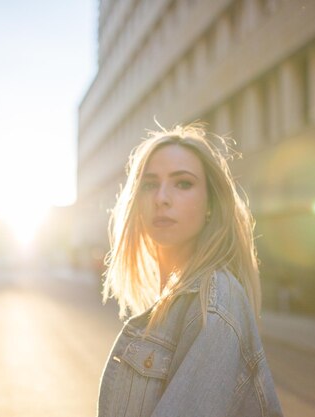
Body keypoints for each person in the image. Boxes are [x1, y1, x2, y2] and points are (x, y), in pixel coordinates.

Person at [97, 123, 284, 417]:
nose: (162, 198)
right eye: (149, 184)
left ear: (211, 202)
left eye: (183, 183)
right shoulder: (176, 301)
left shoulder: (214, 301)